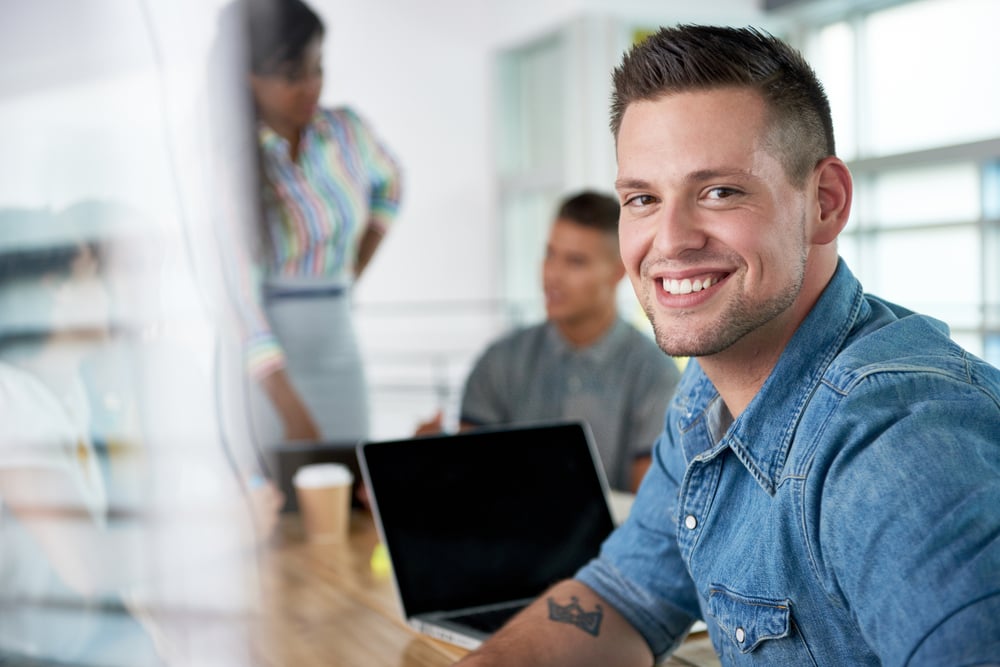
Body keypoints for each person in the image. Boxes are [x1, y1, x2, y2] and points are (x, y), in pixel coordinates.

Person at [457, 25, 1000, 666]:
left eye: (719, 192)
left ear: (825, 202)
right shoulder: (707, 396)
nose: (671, 239)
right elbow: (623, 597)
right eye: (643, 198)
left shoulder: (895, 449)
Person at [418, 191, 681, 492]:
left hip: (614, 539)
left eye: (575, 262)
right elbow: (467, 485)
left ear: (619, 271)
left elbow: (651, 513)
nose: (552, 275)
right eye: (549, 254)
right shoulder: (500, 361)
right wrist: (427, 469)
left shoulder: (654, 374)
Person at [241, 0, 403, 445]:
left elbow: (391, 185)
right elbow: (237, 305)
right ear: (250, 78)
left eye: (318, 69)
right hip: (271, 371)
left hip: (339, 344)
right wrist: (291, 413)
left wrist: (354, 269)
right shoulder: (233, 164)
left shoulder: (346, 133)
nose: (311, 87)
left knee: (352, 490)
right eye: (293, 75)